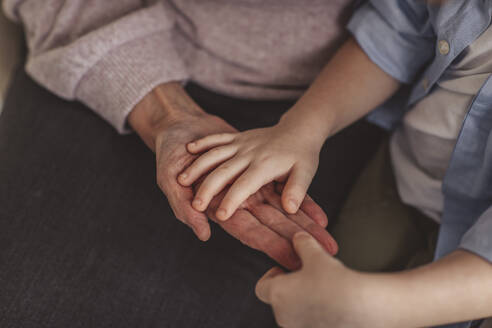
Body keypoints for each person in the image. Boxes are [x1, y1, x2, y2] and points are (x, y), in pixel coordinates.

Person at [0, 1, 388, 327]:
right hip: (103, 39)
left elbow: (407, 28)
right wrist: (165, 114)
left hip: (336, 96)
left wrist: (306, 128)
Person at [185, 0, 492, 327]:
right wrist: (303, 128)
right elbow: (397, 32)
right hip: (400, 172)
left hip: (475, 273)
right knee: (336, 267)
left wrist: (376, 305)